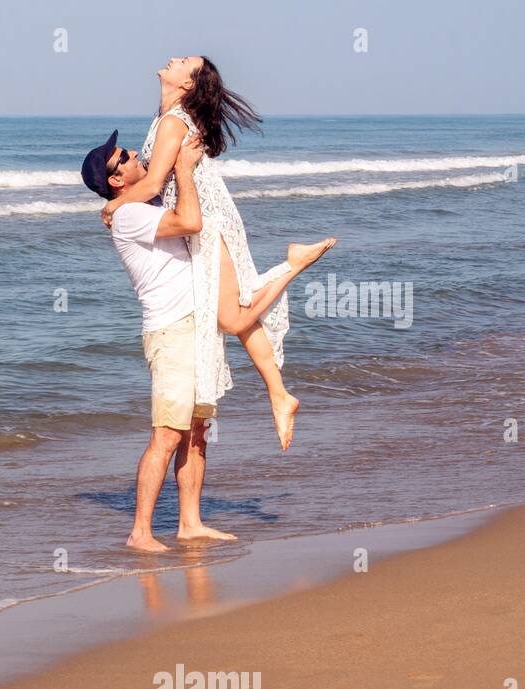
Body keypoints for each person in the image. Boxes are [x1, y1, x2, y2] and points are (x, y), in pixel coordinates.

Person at [100, 56, 336, 450]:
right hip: (205, 221)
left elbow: (155, 181)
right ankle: (279, 395)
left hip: (210, 222)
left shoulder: (172, 122)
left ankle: (293, 265)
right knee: (237, 316)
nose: (173, 59)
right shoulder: (166, 118)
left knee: (230, 316)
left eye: (184, 62)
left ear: (187, 84)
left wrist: (113, 206)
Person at [82, 130, 227, 552]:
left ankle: (190, 523)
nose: (132, 154)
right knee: (166, 435)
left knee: (197, 430)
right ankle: (140, 533)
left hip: (195, 325)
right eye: (123, 157)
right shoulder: (128, 216)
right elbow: (190, 222)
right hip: (172, 329)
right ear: (115, 179)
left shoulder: (137, 204)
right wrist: (181, 167)